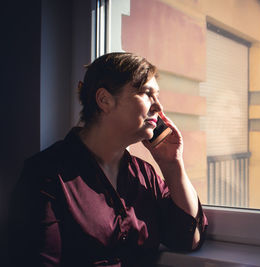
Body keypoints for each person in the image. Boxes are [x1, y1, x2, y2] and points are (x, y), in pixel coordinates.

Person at [7, 52, 208, 266]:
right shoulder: (45, 176)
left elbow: (188, 240)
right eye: (146, 94)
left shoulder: (145, 175)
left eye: (157, 95)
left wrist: (172, 165)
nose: (158, 107)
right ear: (104, 100)